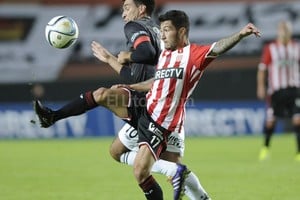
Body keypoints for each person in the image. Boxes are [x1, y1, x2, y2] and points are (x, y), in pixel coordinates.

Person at [37, 10, 260, 199]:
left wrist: (240, 34)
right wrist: (132, 87)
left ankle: (186, 182)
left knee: (141, 172)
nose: (162, 35)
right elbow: (157, 82)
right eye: (161, 30)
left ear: (182, 32)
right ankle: (52, 116)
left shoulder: (193, 55)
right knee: (104, 96)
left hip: (160, 122)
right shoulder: (165, 54)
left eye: (167, 30)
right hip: (142, 108)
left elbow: (218, 47)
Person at [257, 20, 300, 161]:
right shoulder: (271, 48)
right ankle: (265, 148)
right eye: (282, 29)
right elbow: (262, 69)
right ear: (278, 32)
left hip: (294, 89)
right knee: (271, 121)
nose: (285, 32)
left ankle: (298, 153)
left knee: (297, 120)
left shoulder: (296, 47)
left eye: (287, 29)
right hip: (276, 91)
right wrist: (261, 87)